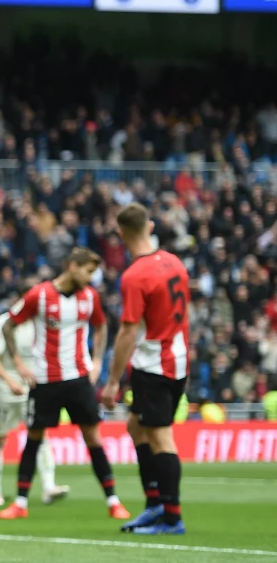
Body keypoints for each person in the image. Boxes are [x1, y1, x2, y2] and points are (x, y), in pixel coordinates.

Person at [0, 248, 130, 521]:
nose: (92, 277)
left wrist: (97, 362)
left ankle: (113, 501)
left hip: (79, 379)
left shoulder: (90, 296)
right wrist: (20, 364)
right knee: (34, 439)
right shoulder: (40, 295)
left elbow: (102, 327)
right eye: (88, 271)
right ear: (72, 266)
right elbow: (8, 325)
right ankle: (20, 503)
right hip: (45, 380)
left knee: (93, 437)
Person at [101, 203, 190, 535]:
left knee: (160, 436)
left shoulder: (135, 275)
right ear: (150, 226)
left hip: (155, 364)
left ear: (122, 234)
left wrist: (112, 382)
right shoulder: (174, 262)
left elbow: (127, 331)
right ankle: (155, 505)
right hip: (178, 358)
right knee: (136, 427)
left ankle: (171, 516)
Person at [0, 311, 69, 507]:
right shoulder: (2, 322)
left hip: (33, 387)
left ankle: (49, 487)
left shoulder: (41, 322)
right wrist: (10, 381)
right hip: (6, 388)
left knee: (40, 434)